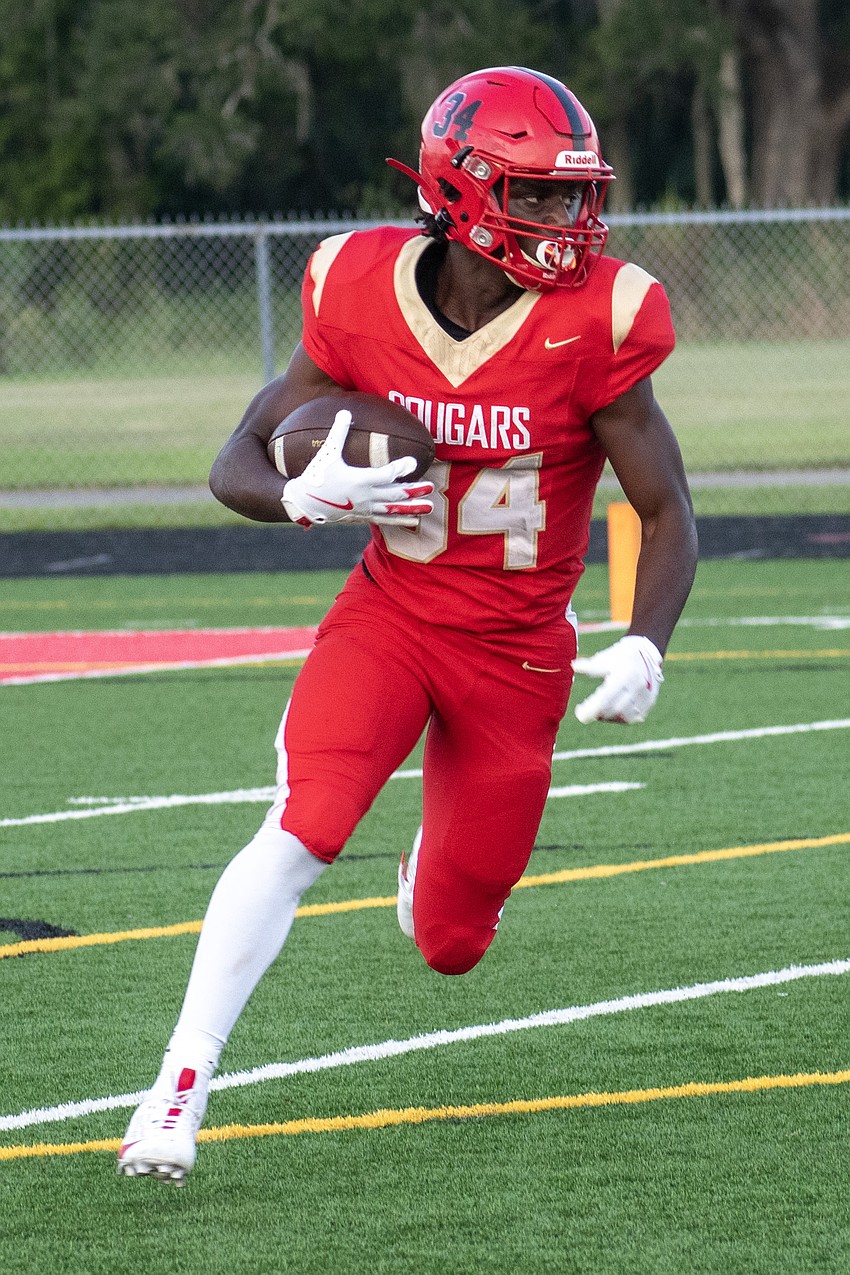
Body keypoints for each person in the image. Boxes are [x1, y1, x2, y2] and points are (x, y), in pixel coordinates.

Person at [118, 65, 697, 1183]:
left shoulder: (603, 314)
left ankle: (434, 862)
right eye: (539, 196)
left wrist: (642, 639)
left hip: (521, 653)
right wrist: (297, 498)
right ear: (463, 190)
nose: (569, 222)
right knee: (304, 824)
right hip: (390, 616)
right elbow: (234, 460)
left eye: (575, 195)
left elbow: (665, 506)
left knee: (451, 945)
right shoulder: (356, 285)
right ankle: (176, 1089)